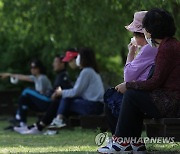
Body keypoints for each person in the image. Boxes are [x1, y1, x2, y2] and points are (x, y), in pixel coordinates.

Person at [104, 8, 180, 154]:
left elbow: (155, 82)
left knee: (132, 95)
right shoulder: (170, 44)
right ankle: (130, 142)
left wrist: (128, 85)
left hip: (172, 104)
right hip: (170, 100)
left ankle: (122, 141)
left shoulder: (167, 48)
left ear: (150, 31)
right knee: (134, 95)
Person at [98, 11, 158, 153]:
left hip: (143, 94)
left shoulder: (147, 49)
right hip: (149, 92)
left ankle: (121, 141)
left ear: (140, 34)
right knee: (119, 96)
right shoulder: (153, 47)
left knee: (111, 97)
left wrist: (130, 53)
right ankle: (135, 143)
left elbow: (128, 78)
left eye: (135, 34)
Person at [15, 49, 79, 134]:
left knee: (26, 91)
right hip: (52, 101)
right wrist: (9, 75)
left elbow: (65, 90)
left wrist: (55, 94)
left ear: (62, 63)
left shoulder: (63, 76)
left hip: (50, 101)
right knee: (25, 97)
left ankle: (27, 122)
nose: (53, 64)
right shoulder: (60, 75)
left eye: (55, 62)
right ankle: (27, 125)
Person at [47, 47, 105, 129]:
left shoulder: (86, 71)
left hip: (93, 107)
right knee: (67, 98)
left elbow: (75, 92)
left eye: (79, 56)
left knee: (66, 98)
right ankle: (59, 120)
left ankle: (58, 120)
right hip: (96, 105)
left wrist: (61, 92)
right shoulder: (92, 71)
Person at [0, 59, 52, 126]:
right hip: (41, 101)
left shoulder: (42, 78)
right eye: (31, 68)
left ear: (39, 68)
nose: (32, 69)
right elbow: (23, 77)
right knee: (24, 100)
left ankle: (18, 116)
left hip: (47, 101)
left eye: (34, 68)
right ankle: (22, 122)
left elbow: (41, 93)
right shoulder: (35, 77)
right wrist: (9, 75)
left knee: (26, 91)